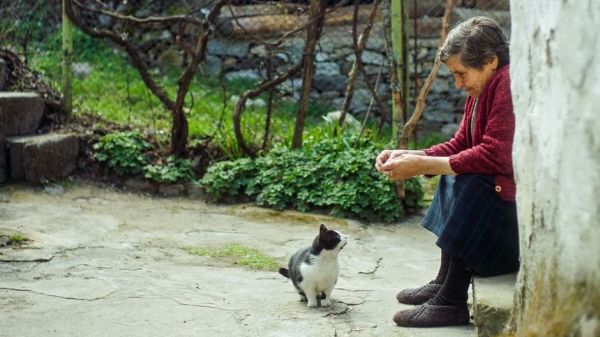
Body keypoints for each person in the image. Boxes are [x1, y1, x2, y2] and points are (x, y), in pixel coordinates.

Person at [375, 16, 519, 327]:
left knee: (470, 179)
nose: (458, 84)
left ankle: (452, 300)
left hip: (507, 235)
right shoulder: (482, 90)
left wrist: (424, 164)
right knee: (454, 171)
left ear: (491, 61)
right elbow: (460, 145)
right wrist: (411, 156)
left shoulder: (507, 85)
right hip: (494, 224)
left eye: (461, 74)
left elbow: (496, 156)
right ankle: (444, 281)